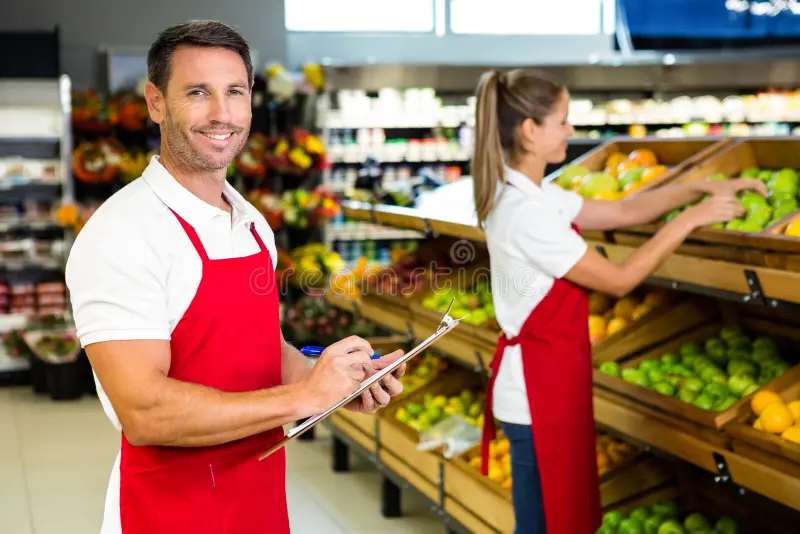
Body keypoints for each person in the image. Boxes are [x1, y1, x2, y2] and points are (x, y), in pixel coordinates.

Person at [65, 20, 406, 534]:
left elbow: (261, 351)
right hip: (167, 510)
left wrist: (329, 382)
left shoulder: (249, 223)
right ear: (156, 103)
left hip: (258, 498)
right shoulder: (122, 232)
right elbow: (144, 412)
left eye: (236, 92)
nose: (222, 114)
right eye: (198, 92)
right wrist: (302, 399)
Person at [473, 69, 766, 534]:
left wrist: (701, 188)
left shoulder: (533, 195)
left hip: (553, 381)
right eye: (564, 121)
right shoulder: (524, 213)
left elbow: (624, 210)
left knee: (556, 521)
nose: (571, 131)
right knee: (544, 526)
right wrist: (691, 219)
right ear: (530, 131)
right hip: (536, 395)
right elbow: (619, 280)